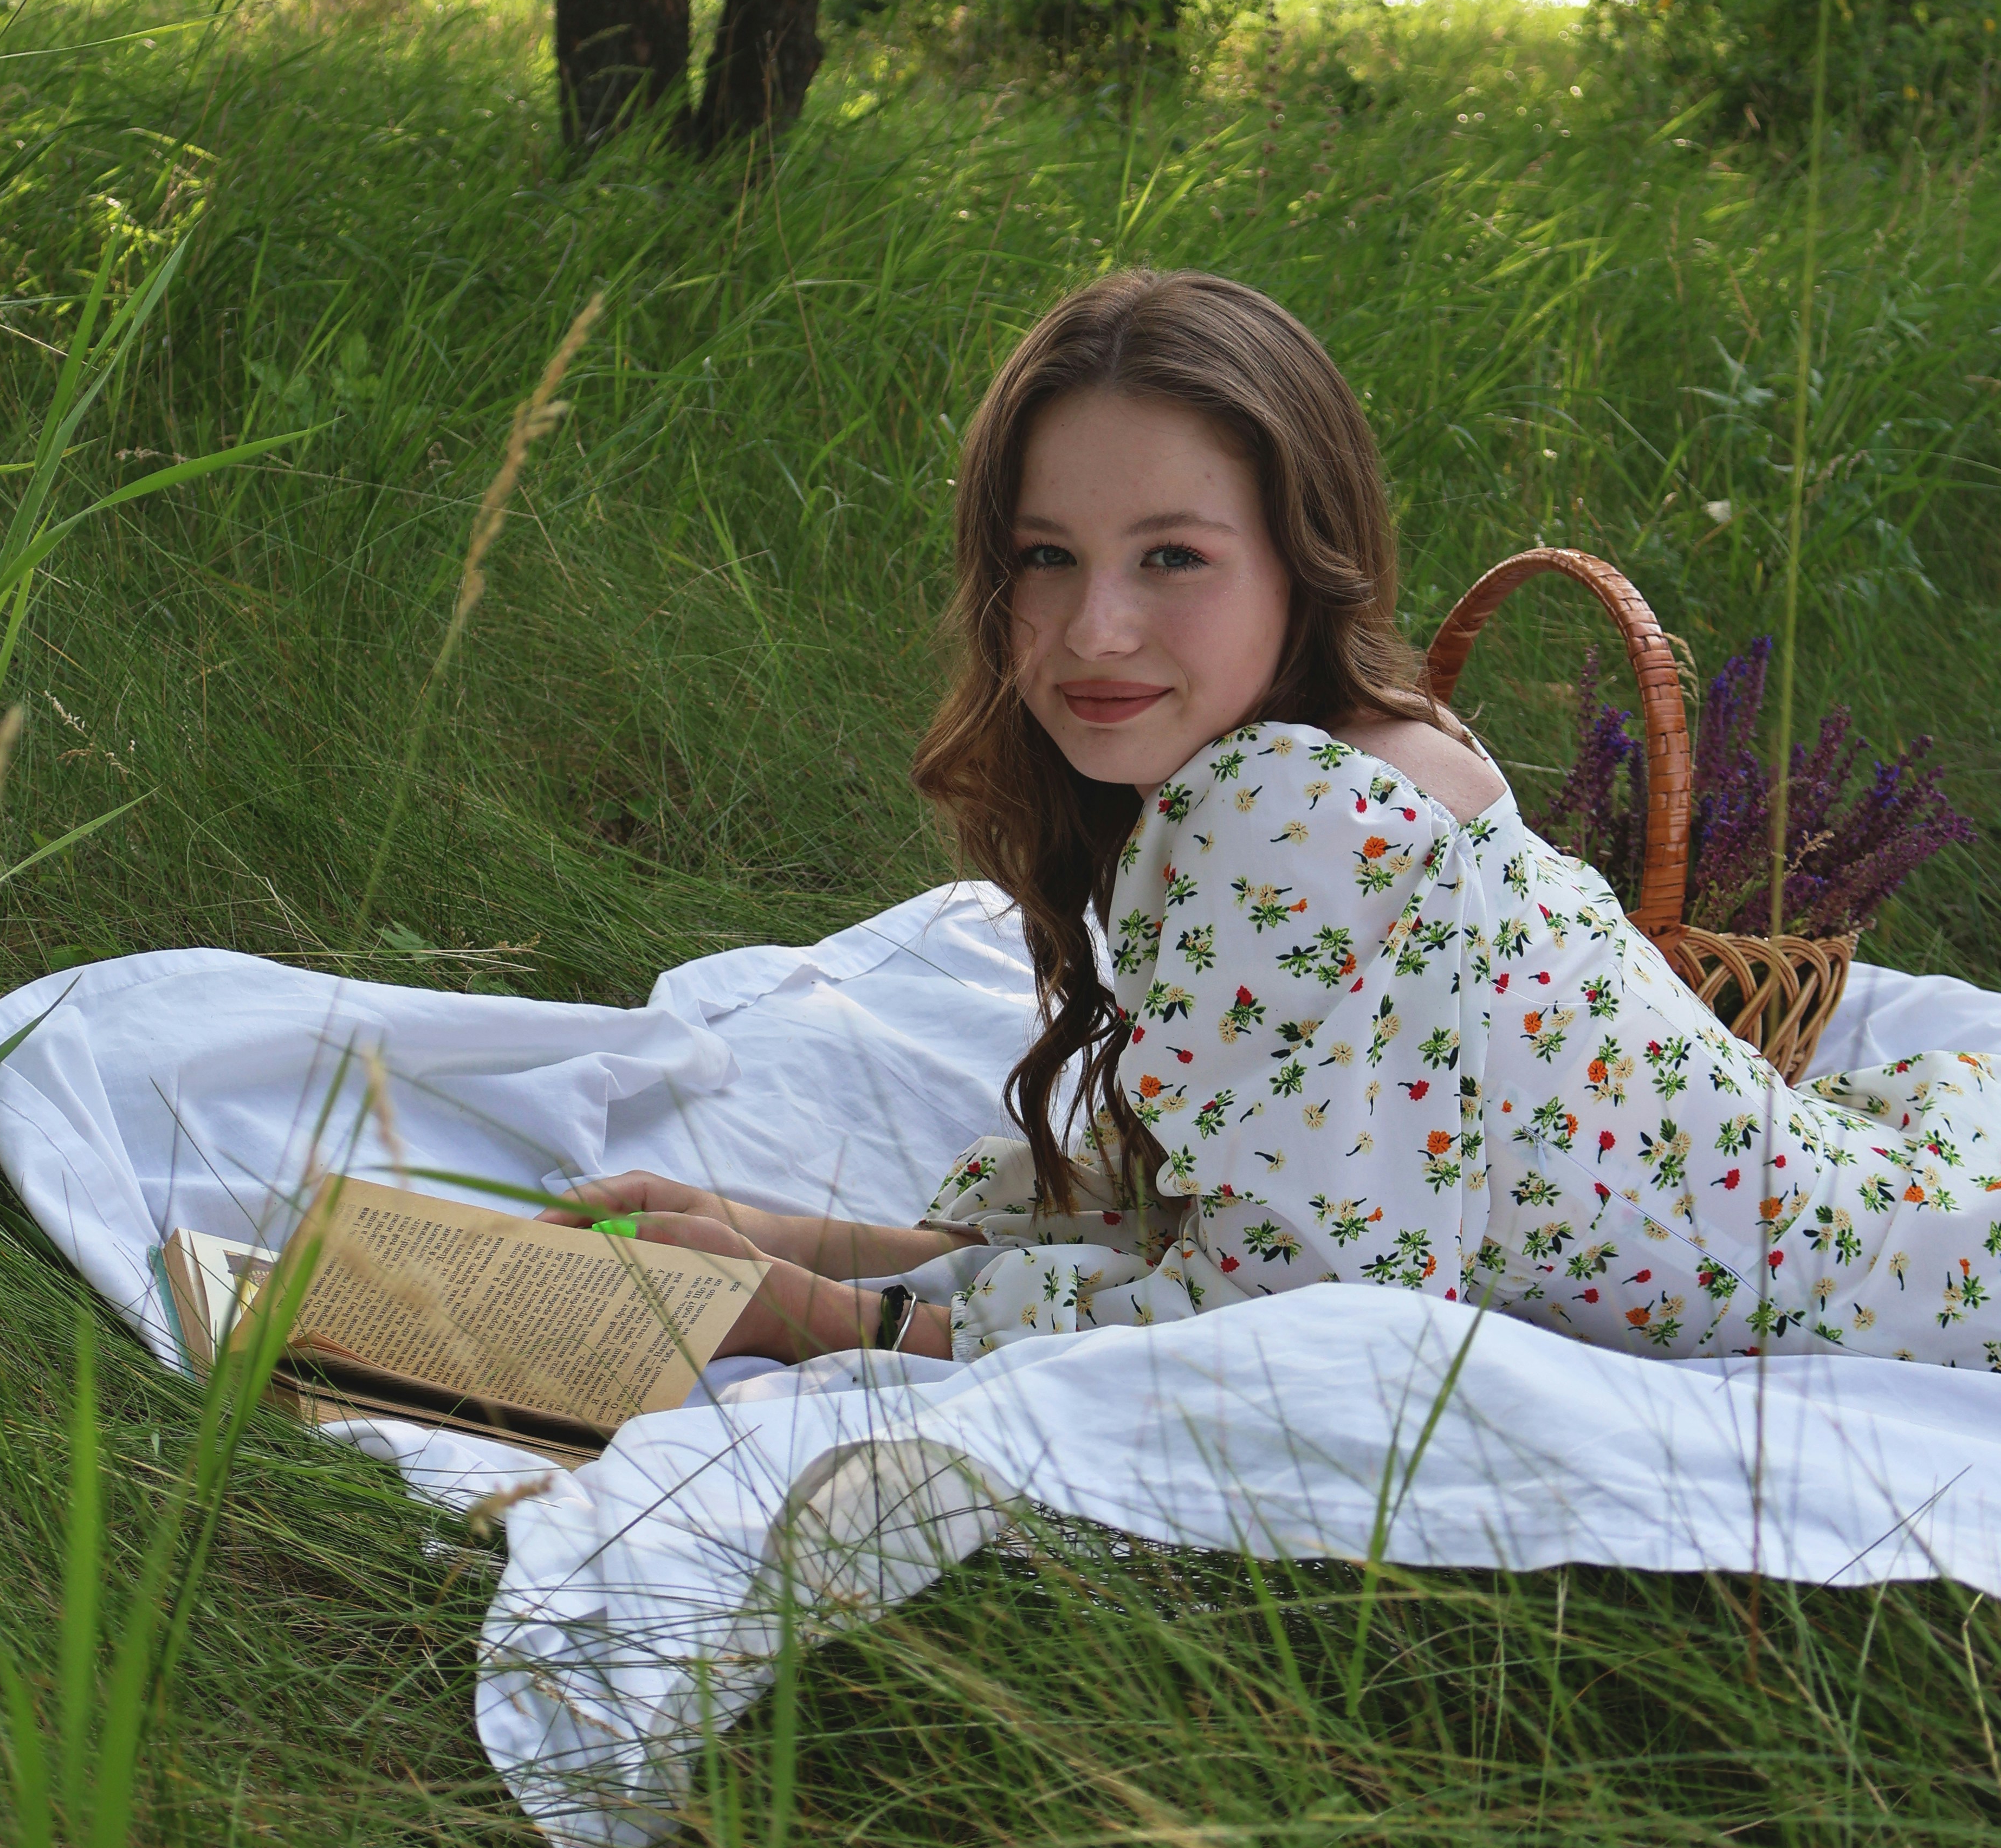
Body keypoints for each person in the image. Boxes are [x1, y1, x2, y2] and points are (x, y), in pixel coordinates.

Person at [546, 268, 2001, 1373]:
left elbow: (1292, 1320)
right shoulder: (1352, 741)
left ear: (1304, 562)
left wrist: (824, 1315)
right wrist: (813, 1238)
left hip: (1909, 1303)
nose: (1093, 630)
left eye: (1173, 557)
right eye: (1045, 555)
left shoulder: (1292, 812)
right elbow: (1260, 1168)